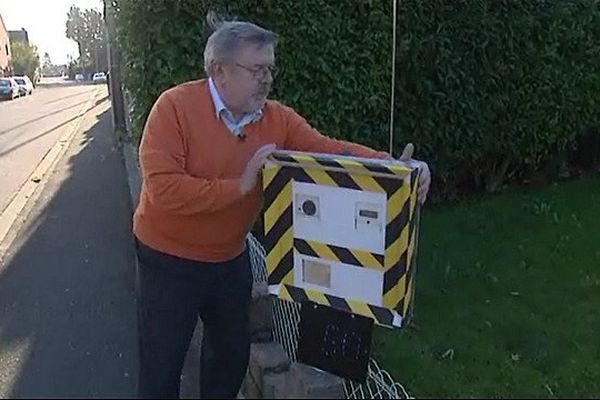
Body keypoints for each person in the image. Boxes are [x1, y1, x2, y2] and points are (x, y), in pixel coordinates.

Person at [133, 19, 431, 399]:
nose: (267, 79)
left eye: (270, 68)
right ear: (218, 71)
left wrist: (397, 169)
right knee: (161, 364)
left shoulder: (276, 119)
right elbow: (162, 188)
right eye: (257, 69)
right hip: (168, 259)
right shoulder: (173, 108)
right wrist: (240, 185)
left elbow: (328, 150)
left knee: (229, 358)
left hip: (229, 258)